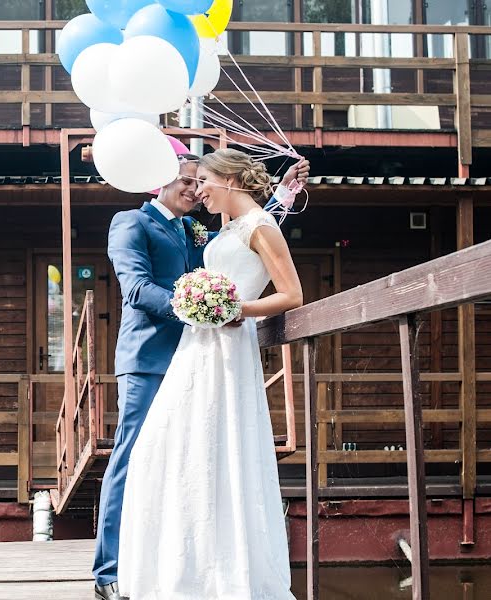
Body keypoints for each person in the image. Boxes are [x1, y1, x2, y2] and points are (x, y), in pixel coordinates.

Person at [93, 151, 308, 600]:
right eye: (188, 182)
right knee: (137, 457)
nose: (195, 189)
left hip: (203, 354)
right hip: (151, 357)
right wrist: (200, 310)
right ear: (160, 182)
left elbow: (246, 243)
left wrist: (283, 194)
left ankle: (192, 562)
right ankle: (111, 572)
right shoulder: (131, 223)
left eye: (200, 181)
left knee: (194, 457)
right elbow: (136, 289)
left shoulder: (199, 228)